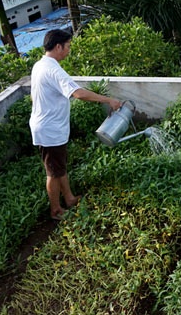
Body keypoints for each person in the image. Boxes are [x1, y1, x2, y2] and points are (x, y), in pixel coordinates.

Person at [30, 29, 122, 220]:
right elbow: (78, 93)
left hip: (48, 126)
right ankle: (55, 210)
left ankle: (70, 198)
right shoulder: (53, 69)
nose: (69, 50)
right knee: (53, 173)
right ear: (58, 46)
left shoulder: (39, 65)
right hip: (49, 130)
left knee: (59, 167)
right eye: (68, 46)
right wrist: (108, 100)